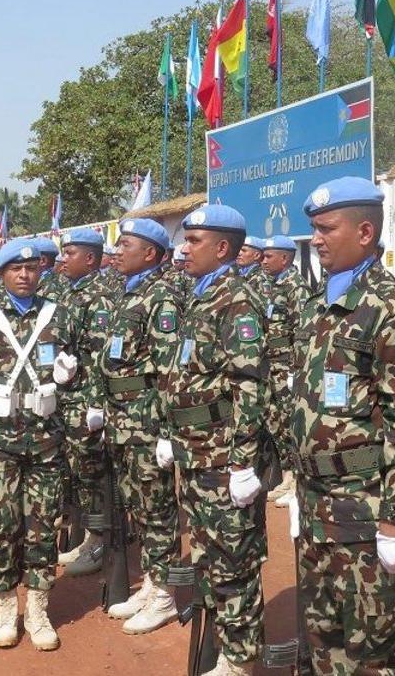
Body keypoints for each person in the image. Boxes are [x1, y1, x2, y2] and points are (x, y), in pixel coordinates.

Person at [287, 177, 395, 673]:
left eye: (327, 229)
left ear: (365, 232)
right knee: (323, 639)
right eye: (314, 229)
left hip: (365, 511)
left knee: (372, 651)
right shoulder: (316, 307)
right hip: (316, 502)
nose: (316, 239)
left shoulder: (392, 312)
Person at [159, 205, 268, 676]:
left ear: (222, 248)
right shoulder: (202, 294)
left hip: (223, 458)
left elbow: (250, 386)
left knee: (233, 562)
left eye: (193, 241)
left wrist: (242, 462)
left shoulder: (236, 301)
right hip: (196, 452)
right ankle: (224, 646)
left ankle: (240, 660)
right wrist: (173, 432)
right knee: (208, 555)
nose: (184, 249)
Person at [0, 237, 76, 651]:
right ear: (1, 273)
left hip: (45, 439)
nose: (24, 275)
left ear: (41, 271)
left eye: (31, 269)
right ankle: (6, 605)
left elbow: (78, 378)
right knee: (1, 524)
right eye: (15, 269)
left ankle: (38, 607)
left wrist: (68, 378)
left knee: (43, 524)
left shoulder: (59, 316)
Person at [96, 219, 182, 635]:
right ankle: (152, 581)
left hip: (146, 421)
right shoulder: (128, 291)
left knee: (157, 507)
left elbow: (169, 370)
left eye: (125, 244)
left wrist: (167, 430)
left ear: (150, 253)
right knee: (138, 506)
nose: (117, 250)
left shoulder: (161, 298)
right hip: (122, 419)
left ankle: (165, 594)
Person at [53, 229, 112, 576]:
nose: (64, 259)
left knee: (91, 473)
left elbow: (102, 358)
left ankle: (98, 540)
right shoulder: (71, 291)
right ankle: (89, 536)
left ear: (90, 259)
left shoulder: (99, 297)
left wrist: (96, 404)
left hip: (86, 397)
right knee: (76, 470)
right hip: (68, 395)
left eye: (70, 253)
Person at [259, 235, 309, 506]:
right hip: (272, 365)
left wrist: (296, 369)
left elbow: (302, 331)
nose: (263, 260)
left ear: (285, 258)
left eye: (269, 256)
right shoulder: (272, 284)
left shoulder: (295, 286)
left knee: (292, 422)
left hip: (286, 366)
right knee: (276, 421)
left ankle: (298, 481)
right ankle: (287, 475)